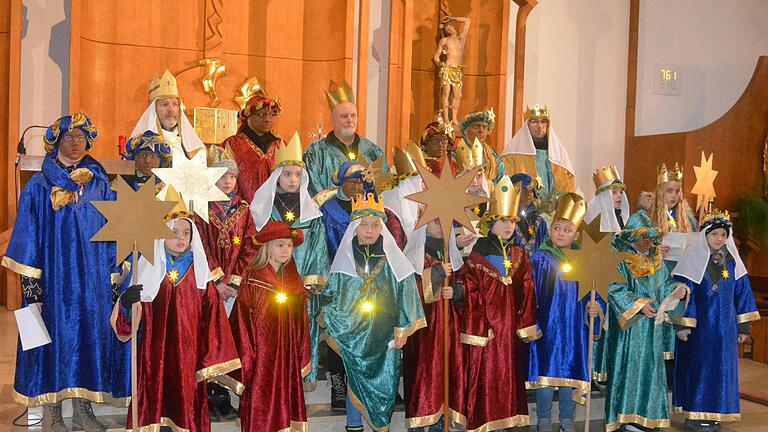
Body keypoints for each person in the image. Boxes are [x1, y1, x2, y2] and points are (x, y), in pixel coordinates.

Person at [2, 113, 129, 432]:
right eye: (69, 137)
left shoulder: (100, 181)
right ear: (56, 141)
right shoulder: (40, 186)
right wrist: (32, 288)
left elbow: (112, 230)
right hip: (55, 281)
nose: (76, 143)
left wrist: (114, 279)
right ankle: (53, 412)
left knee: (90, 339)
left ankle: (84, 408)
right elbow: (27, 236)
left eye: (81, 137)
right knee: (52, 342)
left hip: (93, 280)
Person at [114, 215, 241, 432]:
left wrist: (208, 356)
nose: (181, 238)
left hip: (188, 356)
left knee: (185, 403)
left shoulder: (200, 274)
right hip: (154, 355)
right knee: (155, 400)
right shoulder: (146, 268)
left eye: (186, 233)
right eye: (174, 232)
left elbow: (214, 319)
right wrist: (127, 302)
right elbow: (127, 322)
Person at [321, 192, 426, 431]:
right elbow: (333, 295)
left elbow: (406, 291)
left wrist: (403, 329)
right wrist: (335, 323)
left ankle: (381, 426)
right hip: (354, 334)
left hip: (385, 333)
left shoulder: (392, 259)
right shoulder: (345, 258)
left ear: (382, 228)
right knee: (355, 380)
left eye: (375, 225)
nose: (369, 230)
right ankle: (353, 425)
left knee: (385, 383)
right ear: (355, 227)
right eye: (364, 225)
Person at [250, 134, 329, 391]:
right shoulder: (265, 207)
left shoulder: (311, 213)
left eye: (297, 174)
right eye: (287, 175)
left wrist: (311, 283)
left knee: (299, 333)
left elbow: (317, 247)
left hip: (301, 288)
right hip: (271, 286)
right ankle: (269, 382)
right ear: (277, 177)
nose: (293, 180)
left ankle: (297, 383)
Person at [458, 175, 539, 431]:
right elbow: (470, 293)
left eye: (512, 221)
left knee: (509, 376)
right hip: (489, 332)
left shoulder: (519, 254)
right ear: (490, 222)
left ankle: (507, 422)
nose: (509, 227)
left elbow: (528, 290)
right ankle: (485, 421)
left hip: (511, 331)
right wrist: (482, 327)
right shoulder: (477, 254)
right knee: (487, 377)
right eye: (503, 221)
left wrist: (524, 323)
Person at [671, 209, 760, 432]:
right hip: (701, 329)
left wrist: (743, 325)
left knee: (722, 371)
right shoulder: (692, 261)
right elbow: (684, 295)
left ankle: (716, 413)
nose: (719, 239)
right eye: (715, 235)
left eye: (723, 235)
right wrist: (683, 325)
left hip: (726, 329)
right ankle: (695, 415)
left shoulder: (733, 263)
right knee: (699, 369)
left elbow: (743, 294)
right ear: (705, 236)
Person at [528, 193, 604, 432]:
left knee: (570, 371)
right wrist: (532, 323)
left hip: (573, 326)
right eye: (557, 228)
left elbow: (596, 291)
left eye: (567, 230)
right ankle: (543, 419)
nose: (560, 233)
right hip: (547, 326)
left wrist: (596, 308)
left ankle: (568, 418)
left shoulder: (585, 260)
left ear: (577, 234)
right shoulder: (540, 257)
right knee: (546, 376)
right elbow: (532, 292)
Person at [227, 221, 311, 432]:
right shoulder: (254, 280)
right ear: (267, 247)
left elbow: (301, 323)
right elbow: (242, 324)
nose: (286, 250)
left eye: (289, 245)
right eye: (280, 245)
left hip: (287, 358)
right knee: (262, 409)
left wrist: (301, 351)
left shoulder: (293, 281)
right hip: (261, 360)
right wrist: (248, 360)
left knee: (286, 409)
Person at [605, 227, 689, 432]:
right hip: (631, 331)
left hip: (653, 330)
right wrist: (639, 305)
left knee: (652, 371)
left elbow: (665, 284)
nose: (649, 243)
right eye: (644, 238)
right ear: (631, 240)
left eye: (652, 239)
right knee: (631, 369)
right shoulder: (621, 261)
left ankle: (648, 416)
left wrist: (675, 290)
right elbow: (615, 288)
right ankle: (628, 417)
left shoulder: (656, 262)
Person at [195, 146, 256, 421]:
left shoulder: (244, 210)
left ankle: (224, 394)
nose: (229, 181)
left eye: (232, 176)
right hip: (210, 286)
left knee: (230, 337)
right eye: (222, 176)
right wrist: (217, 280)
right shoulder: (201, 208)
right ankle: (207, 392)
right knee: (209, 337)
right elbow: (201, 245)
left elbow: (250, 246)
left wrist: (234, 280)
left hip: (234, 287)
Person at [402, 218, 465, 431]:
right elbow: (410, 291)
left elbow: (468, 286)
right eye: (436, 222)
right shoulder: (417, 255)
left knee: (446, 375)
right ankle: (419, 423)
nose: (441, 225)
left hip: (448, 327)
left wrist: (456, 292)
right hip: (425, 331)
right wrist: (437, 274)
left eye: (444, 222)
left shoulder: (451, 254)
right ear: (424, 225)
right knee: (424, 375)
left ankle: (440, 423)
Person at [304, 80, 387, 196]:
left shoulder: (373, 151)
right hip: (329, 213)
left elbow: (385, 188)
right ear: (332, 119)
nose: (350, 120)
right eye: (344, 116)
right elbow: (313, 190)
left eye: (353, 116)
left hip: (367, 212)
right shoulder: (315, 153)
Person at [502, 104, 575, 196]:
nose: (539, 126)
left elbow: (569, 185)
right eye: (534, 121)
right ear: (527, 125)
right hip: (524, 208)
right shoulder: (512, 154)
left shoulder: (559, 154)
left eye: (543, 121)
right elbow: (505, 185)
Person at [130, 69, 205, 159]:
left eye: (175, 104)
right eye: (164, 104)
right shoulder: (141, 142)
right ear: (153, 110)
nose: (171, 110)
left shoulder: (190, 142)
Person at [221, 94, 284, 200]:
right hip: (244, 210)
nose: (268, 119)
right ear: (248, 117)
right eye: (261, 115)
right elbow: (224, 179)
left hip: (276, 211)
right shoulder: (233, 144)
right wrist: (241, 209)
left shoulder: (280, 145)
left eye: (271, 115)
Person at [432, 15, 470, 124]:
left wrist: (452, 17)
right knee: (446, 92)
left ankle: (454, 118)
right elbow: (436, 57)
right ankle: (446, 119)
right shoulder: (444, 41)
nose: (451, 29)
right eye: (447, 29)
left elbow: (468, 20)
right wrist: (441, 64)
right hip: (448, 68)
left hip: (457, 70)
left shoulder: (461, 39)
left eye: (451, 27)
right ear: (446, 31)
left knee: (458, 94)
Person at [459, 109, 506, 184]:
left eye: (484, 127)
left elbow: (502, 179)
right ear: (465, 131)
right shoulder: (456, 154)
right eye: (476, 127)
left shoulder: (492, 154)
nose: (481, 131)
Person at [511, 173, 548, 256]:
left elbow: (546, 247)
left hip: (537, 266)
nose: (528, 194)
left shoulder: (540, 222)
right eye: (524, 191)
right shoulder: (506, 220)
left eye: (531, 191)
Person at [584, 166, 630, 233]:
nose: (619, 196)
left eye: (621, 192)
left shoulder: (620, 217)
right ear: (604, 196)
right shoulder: (592, 216)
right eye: (614, 192)